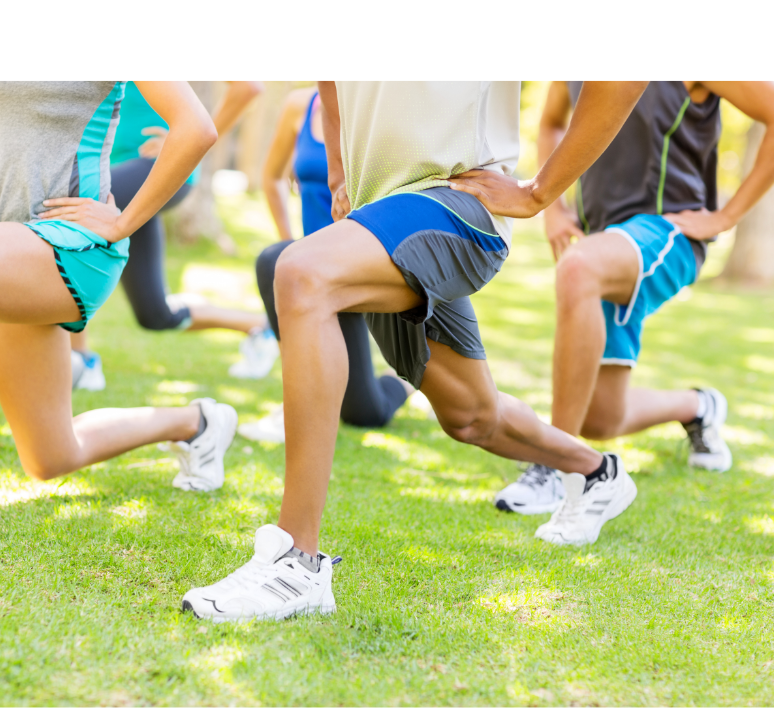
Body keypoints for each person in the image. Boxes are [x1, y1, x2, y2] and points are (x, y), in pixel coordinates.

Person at [181, 80, 653, 622]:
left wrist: (540, 191)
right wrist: (340, 171)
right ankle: (596, 472)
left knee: (301, 272)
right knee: (473, 417)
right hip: (380, 214)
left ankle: (296, 561)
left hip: (458, 206)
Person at [0, 80, 236, 537]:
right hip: (7, 249)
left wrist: (124, 222)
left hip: (72, 245)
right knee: (51, 456)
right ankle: (197, 423)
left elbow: (196, 128)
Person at [495, 80, 774, 519]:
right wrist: (555, 209)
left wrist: (727, 215)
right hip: (602, 238)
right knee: (600, 418)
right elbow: (551, 123)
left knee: (578, 268)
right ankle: (700, 407)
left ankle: (557, 467)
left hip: (669, 233)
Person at [69, 80, 278, 387]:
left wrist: (185, 140)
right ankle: (260, 327)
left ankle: (81, 360)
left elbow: (248, 87)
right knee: (154, 314)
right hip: (120, 176)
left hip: (152, 168)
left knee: (69, 212)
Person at [239, 87, 410, 443]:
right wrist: (294, 243)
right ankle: (295, 405)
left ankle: (403, 383)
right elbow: (271, 178)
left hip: (364, 264)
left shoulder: (383, 106)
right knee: (276, 260)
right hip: (317, 269)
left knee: (368, 416)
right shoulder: (300, 104)